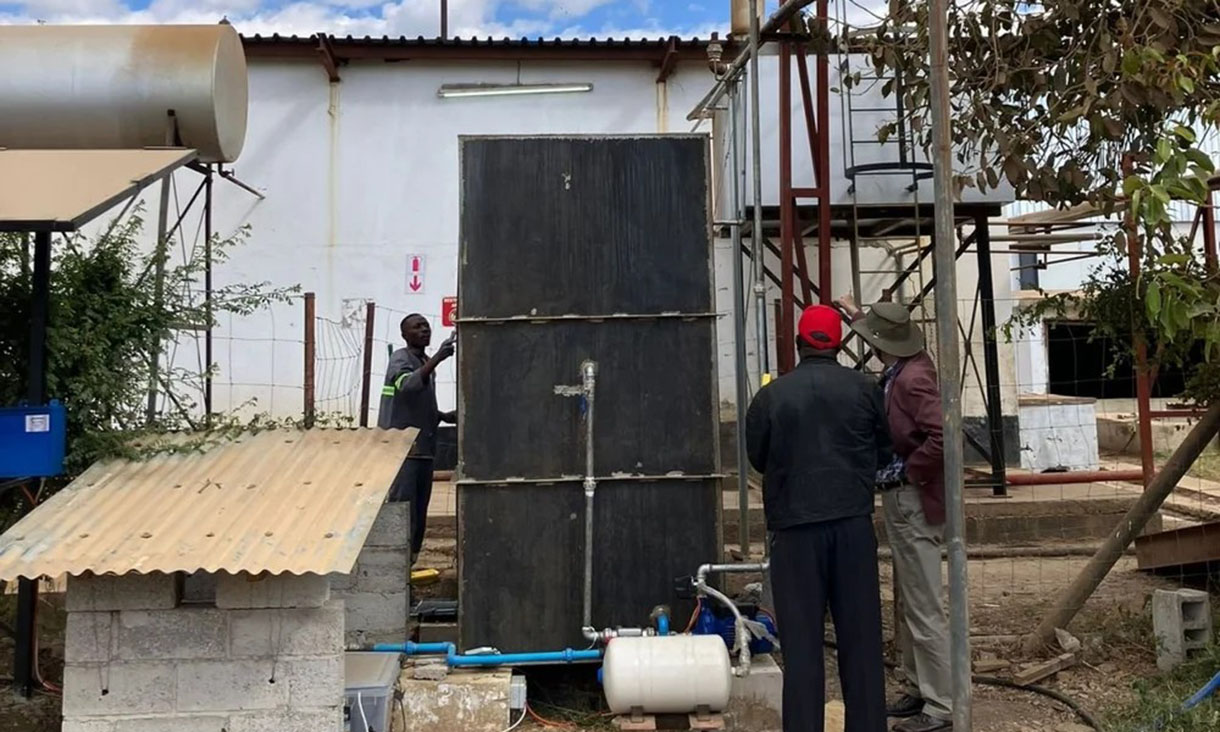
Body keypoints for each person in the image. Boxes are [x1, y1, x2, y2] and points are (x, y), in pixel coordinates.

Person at [745, 304, 892, 732]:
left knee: (803, 643)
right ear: (841, 343)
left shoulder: (772, 395)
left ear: (798, 343)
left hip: (795, 531)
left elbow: (758, 456)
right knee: (861, 639)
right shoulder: (866, 390)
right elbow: (884, 450)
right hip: (852, 525)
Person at [839, 295, 952, 732]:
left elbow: (943, 436)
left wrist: (907, 471)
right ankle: (920, 686)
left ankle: (940, 705)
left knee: (923, 602)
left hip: (914, 496)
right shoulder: (907, 367)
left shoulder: (911, 381)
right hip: (904, 494)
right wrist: (854, 313)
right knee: (909, 597)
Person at [379, 313, 456, 565]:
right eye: (417, 327)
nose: (424, 330)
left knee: (419, 518)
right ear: (405, 334)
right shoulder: (401, 358)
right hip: (404, 451)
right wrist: (437, 359)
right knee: (404, 513)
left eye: (426, 326)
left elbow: (415, 402)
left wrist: (443, 416)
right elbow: (408, 387)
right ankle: (395, 569)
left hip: (424, 450)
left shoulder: (422, 362)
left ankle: (409, 569)